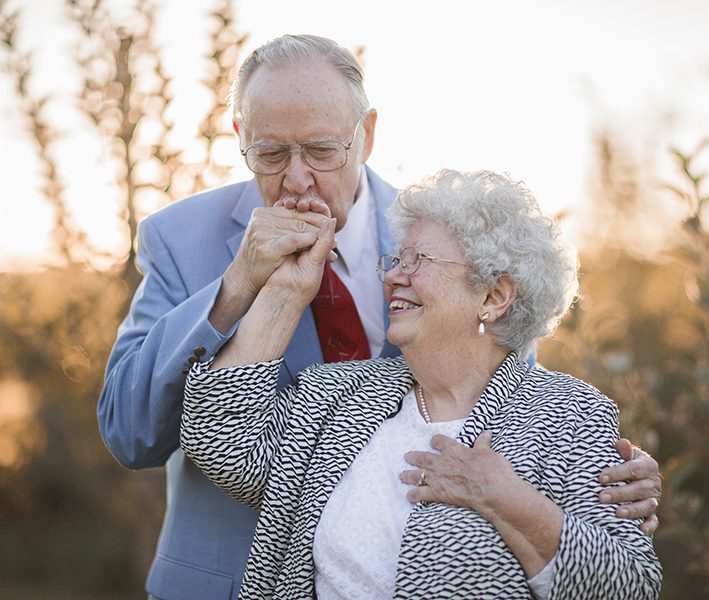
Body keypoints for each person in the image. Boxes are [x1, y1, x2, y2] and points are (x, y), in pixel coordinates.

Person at [97, 34, 661, 600]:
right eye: (270, 154)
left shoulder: (444, 226)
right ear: (241, 138)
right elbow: (130, 433)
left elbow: (510, 393)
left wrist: (596, 481)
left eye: (322, 151)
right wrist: (238, 285)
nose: (296, 180)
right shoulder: (177, 238)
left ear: (365, 135)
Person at [181, 169, 662, 599]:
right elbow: (217, 438)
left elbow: (630, 585)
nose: (392, 277)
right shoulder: (336, 395)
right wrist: (285, 289)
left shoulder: (568, 413)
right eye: (395, 260)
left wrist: (506, 498)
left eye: (417, 261)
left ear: (493, 296)